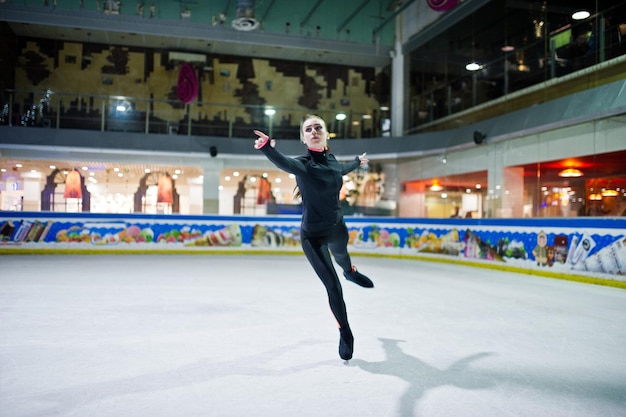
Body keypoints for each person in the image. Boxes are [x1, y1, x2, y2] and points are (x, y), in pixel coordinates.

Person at [253, 114, 374, 361]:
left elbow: (341, 169)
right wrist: (267, 149)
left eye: (319, 126)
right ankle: (346, 332)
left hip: (336, 227)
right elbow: (284, 162)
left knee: (342, 257)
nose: (314, 130)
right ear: (304, 137)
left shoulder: (331, 161)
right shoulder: (303, 164)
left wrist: (357, 162)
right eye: (308, 129)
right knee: (333, 287)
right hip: (313, 237)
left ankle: (350, 271)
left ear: (326, 134)